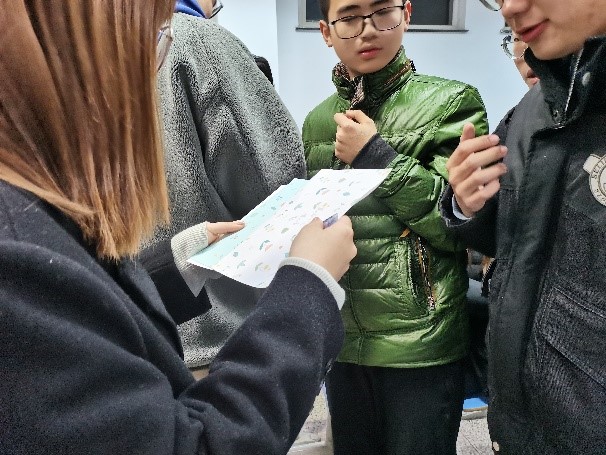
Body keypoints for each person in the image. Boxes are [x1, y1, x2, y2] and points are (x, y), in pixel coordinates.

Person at [0, 1, 358, 453]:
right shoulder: (18, 267)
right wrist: (308, 288)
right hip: (225, 355)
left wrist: (178, 268)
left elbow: (87, 313)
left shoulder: (31, 213)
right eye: (153, 42)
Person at [303, 0, 488, 453]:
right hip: (344, 340)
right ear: (327, 32)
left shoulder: (451, 102)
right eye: (349, 17)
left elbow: (456, 227)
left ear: (406, 13)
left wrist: (375, 156)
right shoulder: (317, 122)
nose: (367, 29)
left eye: (381, 11)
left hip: (420, 341)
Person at [441, 0, 606, 452]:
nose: (509, 7)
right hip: (515, 422)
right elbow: (513, 240)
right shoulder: (532, 109)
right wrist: (467, 204)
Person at [140, 0, 306, 377]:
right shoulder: (196, 41)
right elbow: (273, 181)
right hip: (217, 337)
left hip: (127, 330)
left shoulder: (95, 50)